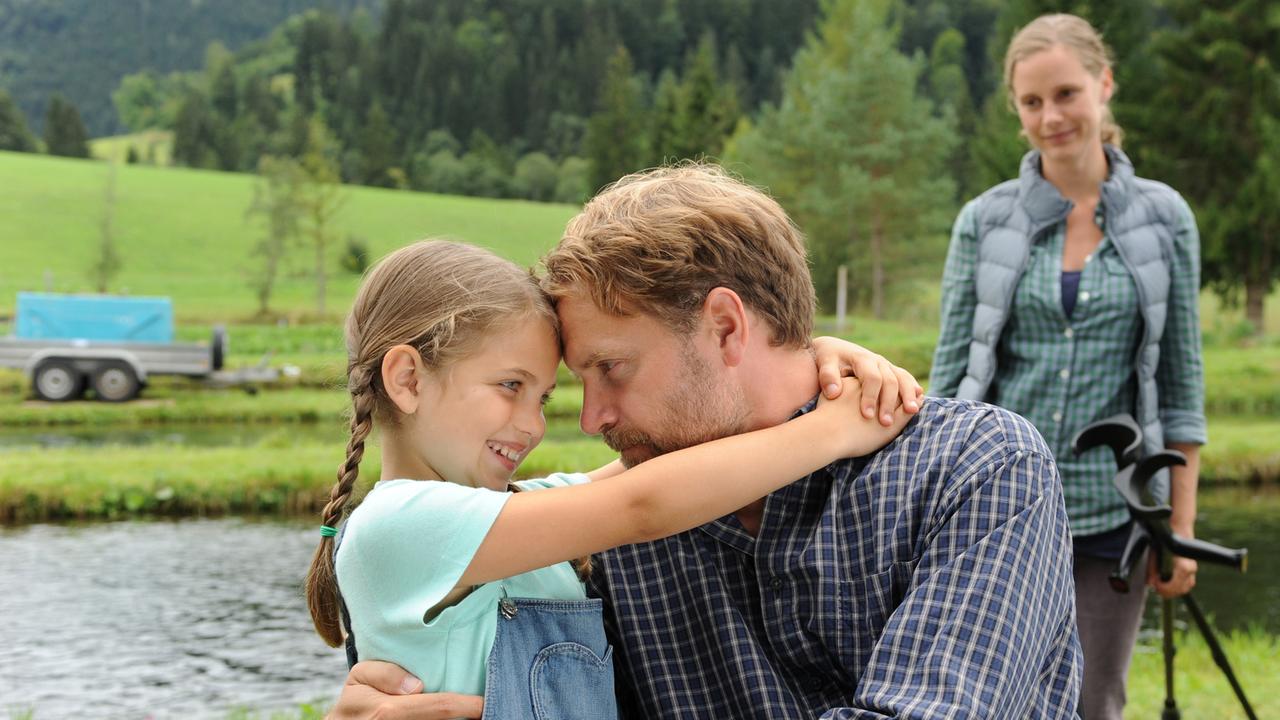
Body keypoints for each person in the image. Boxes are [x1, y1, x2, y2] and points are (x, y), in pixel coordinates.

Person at [330, 163, 1082, 719]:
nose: (589, 421)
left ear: (726, 327)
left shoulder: (975, 469)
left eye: (611, 369)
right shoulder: (618, 529)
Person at [305, 239, 916, 718]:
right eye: (510, 386)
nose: (533, 425)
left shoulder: (516, 515)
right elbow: (642, 502)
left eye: (543, 398)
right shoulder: (397, 526)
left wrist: (802, 360)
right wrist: (834, 429)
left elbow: (659, 462)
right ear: (408, 380)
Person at [927, 14, 1206, 720]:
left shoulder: (1165, 217)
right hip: (998, 508)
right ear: (1016, 109)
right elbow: (951, 379)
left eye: (1066, 94)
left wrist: (1178, 527)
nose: (1050, 117)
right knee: (987, 700)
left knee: (1091, 702)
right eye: (1032, 102)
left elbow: (1181, 383)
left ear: (1103, 85)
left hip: (1116, 514)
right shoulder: (984, 221)